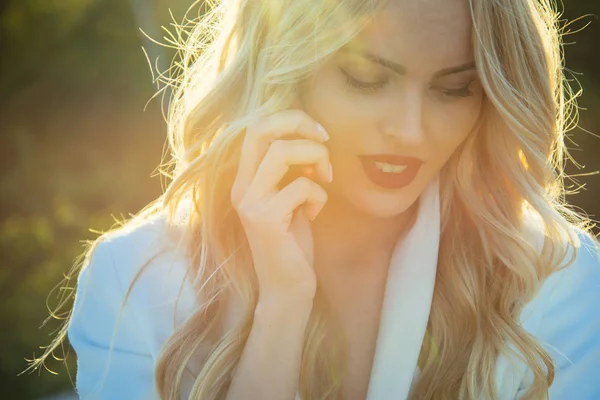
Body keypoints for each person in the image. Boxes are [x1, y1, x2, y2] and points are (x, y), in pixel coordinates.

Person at [25, 0, 600, 399]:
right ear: (284, 70)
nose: (411, 130)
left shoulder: (555, 276)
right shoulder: (137, 278)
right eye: (365, 78)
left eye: (455, 89)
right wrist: (282, 305)